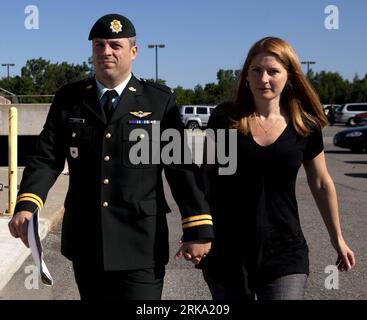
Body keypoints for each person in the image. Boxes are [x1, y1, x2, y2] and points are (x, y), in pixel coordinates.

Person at [8, 13, 213, 300]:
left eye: (115, 45)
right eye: (99, 45)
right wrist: (27, 204)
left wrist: (198, 226)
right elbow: (47, 156)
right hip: (87, 240)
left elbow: (180, 167)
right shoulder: (70, 98)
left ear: (133, 51)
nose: (106, 52)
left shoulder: (158, 101)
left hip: (140, 242)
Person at [198, 37, 355, 300]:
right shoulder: (226, 120)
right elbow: (207, 176)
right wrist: (197, 230)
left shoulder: (305, 126)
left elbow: (321, 183)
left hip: (284, 248)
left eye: (273, 71)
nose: (264, 78)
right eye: (256, 70)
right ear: (246, 76)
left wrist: (337, 237)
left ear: (289, 76)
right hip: (228, 248)